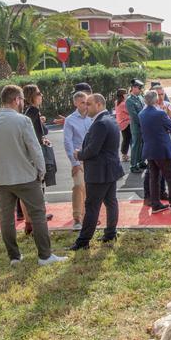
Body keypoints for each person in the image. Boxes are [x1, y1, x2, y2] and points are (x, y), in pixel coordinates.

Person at [0, 85, 67, 266]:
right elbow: (35, 149)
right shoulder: (23, 120)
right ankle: (44, 255)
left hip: (1, 179)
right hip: (26, 176)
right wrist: (41, 171)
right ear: (17, 100)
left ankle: (14, 257)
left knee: (6, 219)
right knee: (38, 214)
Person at [68, 94, 125, 250]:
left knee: (92, 206)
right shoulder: (110, 119)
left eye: (89, 104)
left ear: (99, 105)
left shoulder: (100, 123)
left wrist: (79, 154)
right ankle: (110, 233)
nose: (86, 106)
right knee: (111, 202)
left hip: (99, 172)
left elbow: (92, 150)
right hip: (109, 170)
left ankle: (83, 242)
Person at [139, 90, 171, 214]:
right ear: (156, 100)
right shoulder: (160, 113)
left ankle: (155, 204)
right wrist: (170, 118)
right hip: (163, 148)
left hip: (150, 149)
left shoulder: (141, 113)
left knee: (154, 178)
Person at [21, 84, 54, 232]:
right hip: (35, 153)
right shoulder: (33, 110)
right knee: (39, 183)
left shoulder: (26, 111)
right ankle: (38, 216)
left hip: (27, 153)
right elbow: (36, 134)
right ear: (31, 96)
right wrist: (42, 140)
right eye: (39, 93)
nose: (41, 96)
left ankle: (30, 220)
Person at [63, 90, 93, 229]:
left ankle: (88, 217)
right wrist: (74, 163)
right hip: (79, 160)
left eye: (87, 102)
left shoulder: (92, 117)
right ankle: (77, 218)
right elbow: (67, 143)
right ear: (75, 103)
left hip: (92, 159)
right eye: (82, 102)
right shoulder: (70, 120)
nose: (86, 105)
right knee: (78, 186)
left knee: (90, 188)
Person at [126, 80, 146, 172]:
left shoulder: (140, 97)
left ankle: (141, 161)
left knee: (142, 144)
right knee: (136, 145)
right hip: (136, 126)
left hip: (143, 126)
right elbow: (134, 116)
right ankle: (133, 165)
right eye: (139, 88)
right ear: (133, 88)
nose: (140, 90)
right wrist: (144, 123)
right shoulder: (129, 100)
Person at [114, 88, 132, 163]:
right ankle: (124, 155)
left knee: (126, 139)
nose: (127, 95)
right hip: (126, 123)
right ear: (122, 95)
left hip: (121, 123)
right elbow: (129, 111)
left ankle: (124, 154)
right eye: (126, 94)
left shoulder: (117, 102)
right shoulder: (124, 104)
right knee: (127, 139)